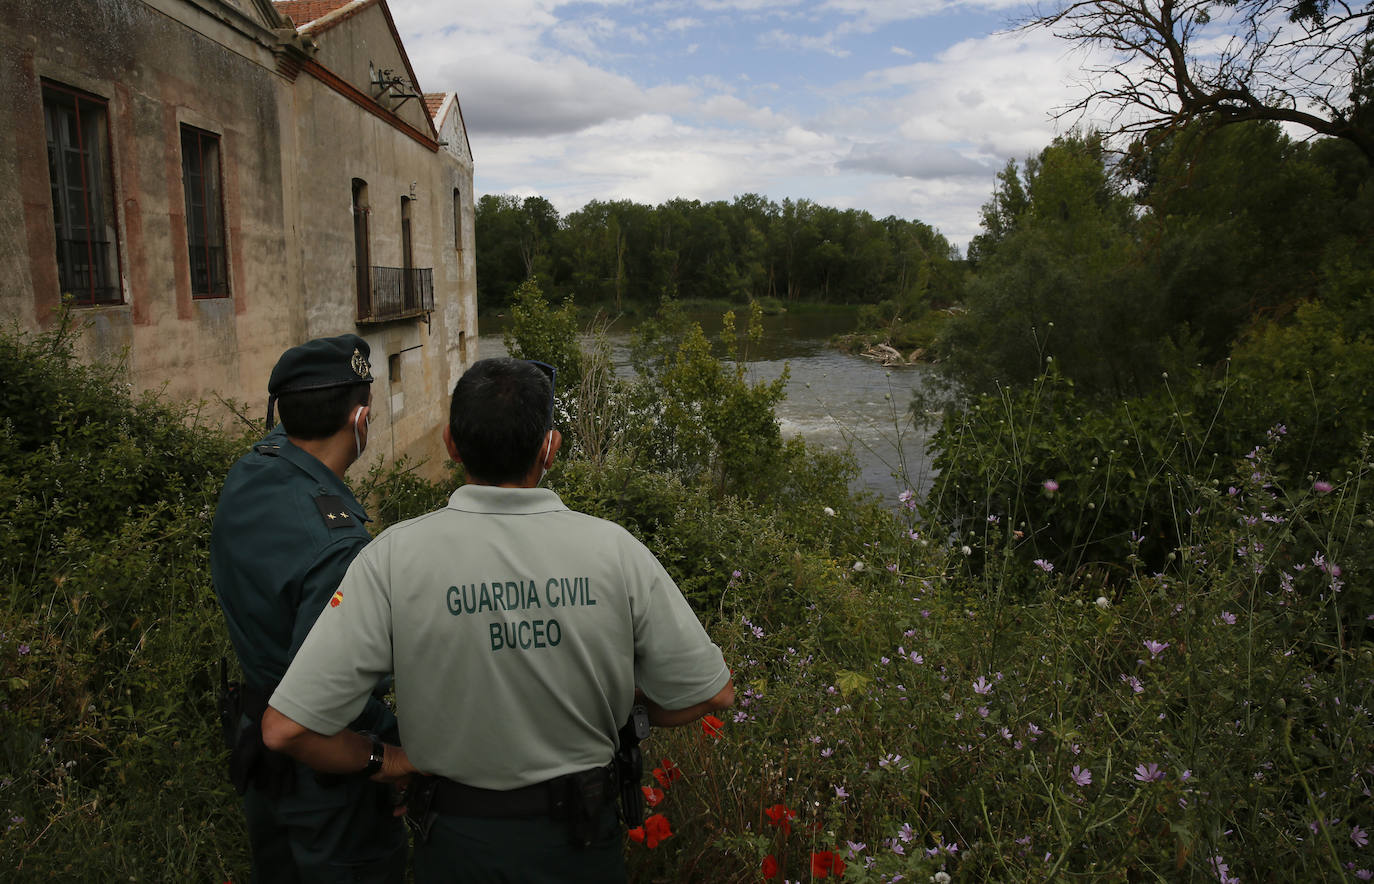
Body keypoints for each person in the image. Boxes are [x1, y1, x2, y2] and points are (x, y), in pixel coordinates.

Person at [261, 356, 734, 883]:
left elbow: (286, 729)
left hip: (458, 847)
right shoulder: (616, 551)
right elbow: (711, 694)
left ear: (450, 445)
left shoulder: (392, 559)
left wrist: (389, 761)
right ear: (550, 448)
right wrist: (624, 707)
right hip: (582, 847)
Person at [210, 333, 406, 884]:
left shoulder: (250, 472)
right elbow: (329, 695)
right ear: (361, 420)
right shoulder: (336, 549)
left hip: (259, 748)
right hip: (325, 780)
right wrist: (386, 757)